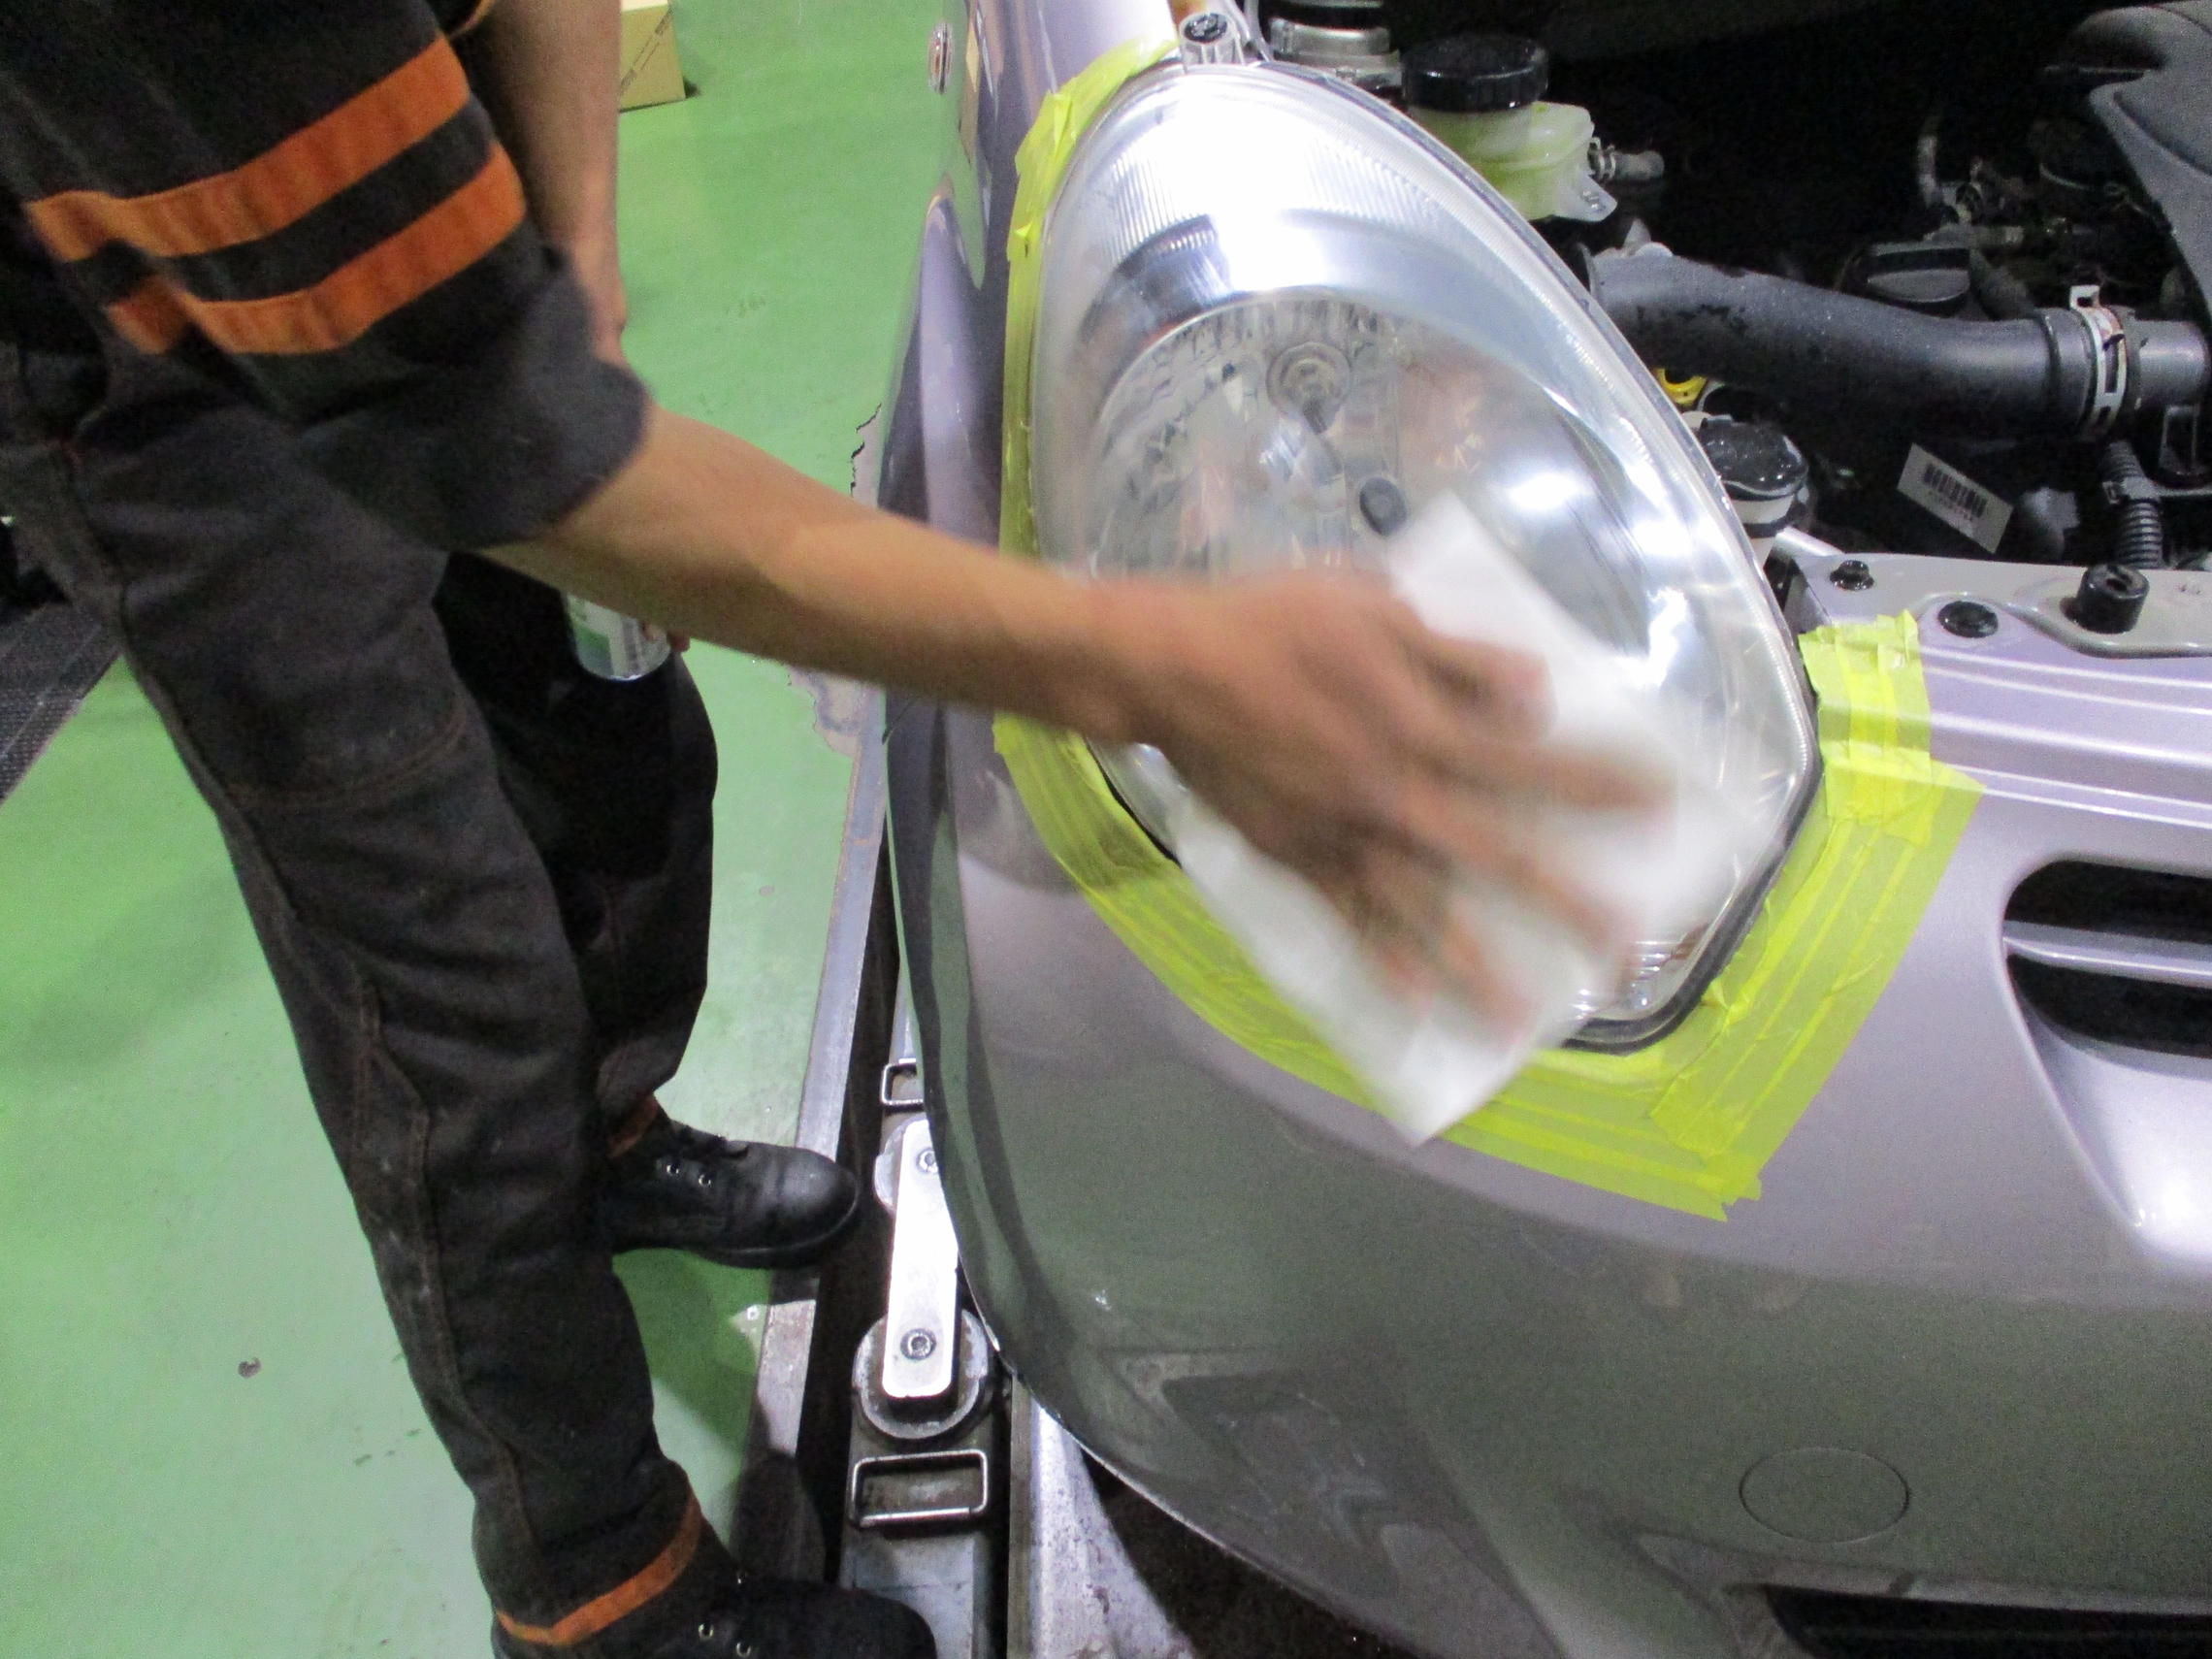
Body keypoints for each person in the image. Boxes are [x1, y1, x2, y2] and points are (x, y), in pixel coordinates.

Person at [0, 4, 1648, 1657]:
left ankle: (605, 1143)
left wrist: (576, 282)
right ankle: (594, 1587)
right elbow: (500, 452)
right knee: (446, 987)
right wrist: (1169, 667)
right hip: (166, 369)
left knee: (608, 730)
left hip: (417, 207)